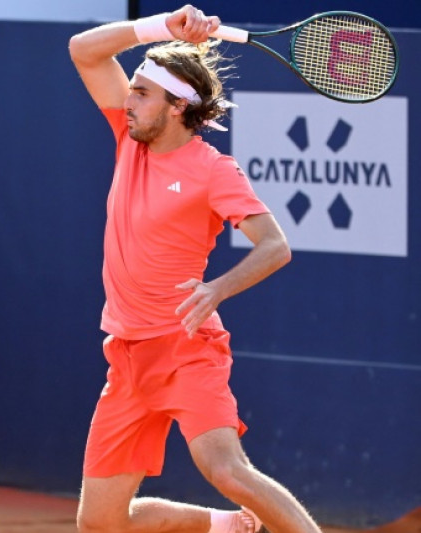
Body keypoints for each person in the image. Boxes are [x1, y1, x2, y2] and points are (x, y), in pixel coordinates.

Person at [68, 5, 322, 533]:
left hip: (186, 348)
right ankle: (225, 527)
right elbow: (83, 49)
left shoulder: (212, 170)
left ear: (178, 107)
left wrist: (217, 289)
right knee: (100, 524)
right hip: (127, 356)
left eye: (142, 93)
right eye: (132, 90)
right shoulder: (129, 138)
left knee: (224, 468)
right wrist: (162, 26)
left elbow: (275, 245)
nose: (128, 101)